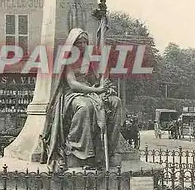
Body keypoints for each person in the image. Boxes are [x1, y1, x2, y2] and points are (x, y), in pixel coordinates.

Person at [40, 28, 135, 171]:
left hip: (90, 92)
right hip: (71, 95)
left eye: (85, 42)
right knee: (85, 107)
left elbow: (92, 79)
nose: (82, 45)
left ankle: (106, 150)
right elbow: (73, 84)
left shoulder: (87, 60)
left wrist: (104, 86)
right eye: (79, 42)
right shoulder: (67, 59)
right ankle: (77, 150)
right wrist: (96, 90)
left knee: (115, 102)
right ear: (72, 44)